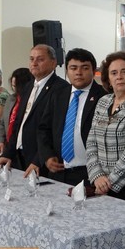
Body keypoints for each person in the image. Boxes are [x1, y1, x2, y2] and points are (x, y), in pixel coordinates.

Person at [0, 45, 68, 174]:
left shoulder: (61, 89)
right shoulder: (28, 87)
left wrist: (38, 160)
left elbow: (54, 131)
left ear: (53, 63)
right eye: (31, 59)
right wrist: (8, 153)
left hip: (42, 161)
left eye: (40, 59)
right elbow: (18, 123)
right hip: (19, 155)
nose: (34, 63)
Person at [37, 48, 106, 186]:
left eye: (84, 68)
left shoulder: (104, 97)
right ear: (67, 71)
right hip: (59, 172)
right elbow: (43, 128)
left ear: (94, 70)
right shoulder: (58, 94)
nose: (78, 72)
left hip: (91, 175)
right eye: (73, 68)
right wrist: (47, 156)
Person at [86, 51, 125, 204]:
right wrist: (97, 176)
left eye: (124, 72)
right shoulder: (103, 101)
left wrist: (109, 182)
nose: (119, 76)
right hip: (99, 183)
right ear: (108, 79)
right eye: (114, 73)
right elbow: (91, 141)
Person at [0, 67, 33, 157]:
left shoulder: (31, 101)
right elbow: (2, 123)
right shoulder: (11, 99)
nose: (14, 89)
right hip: (8, 147)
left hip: (25, 148)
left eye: (16, 86)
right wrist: (0, 141)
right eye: (13, 86)